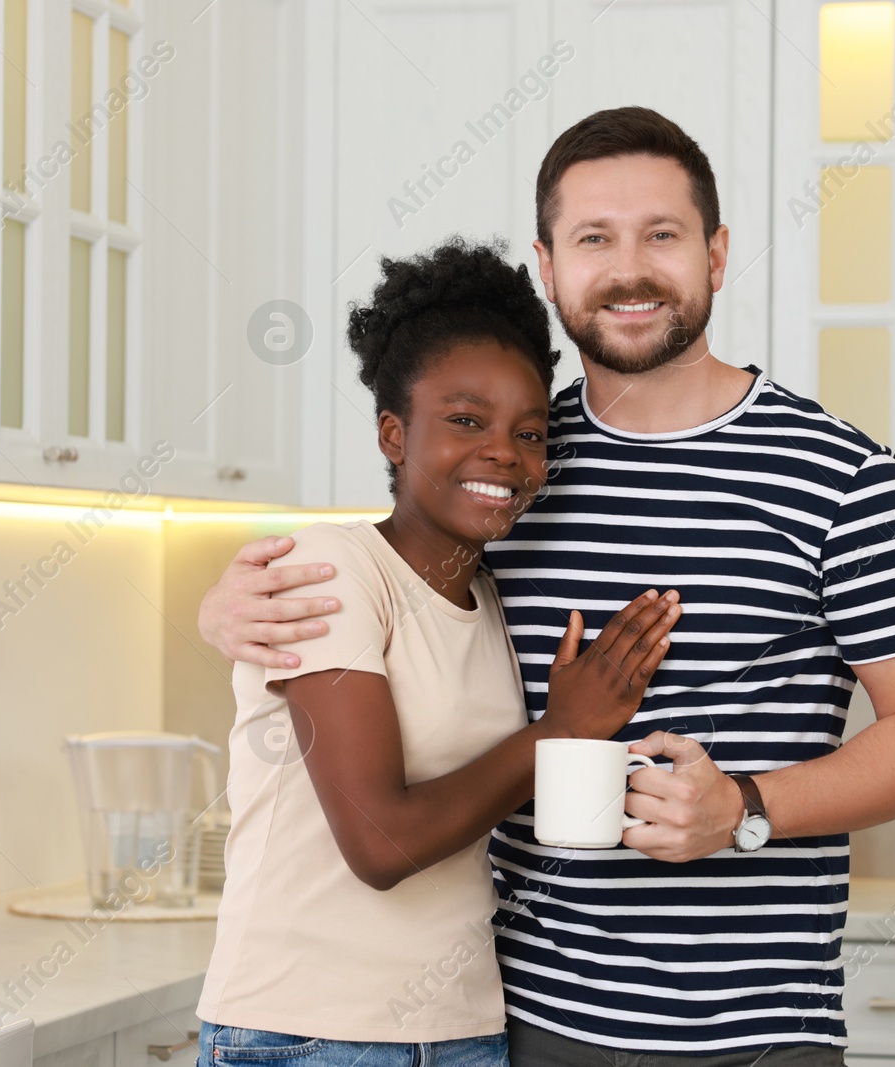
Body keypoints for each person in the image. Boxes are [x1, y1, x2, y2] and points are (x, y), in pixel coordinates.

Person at [201, 107, 895, 1065]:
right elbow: (385, 597)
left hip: (760, 1033)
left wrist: (745, 804)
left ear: (717, 253)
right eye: (594, 239)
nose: (630, 269)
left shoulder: (841, 476)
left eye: (662, 234)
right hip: (518, 1024)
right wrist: (228, 605)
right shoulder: (514, 460)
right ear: (549, 265)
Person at [194, 238, 682, 1067]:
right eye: (465, 420)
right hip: (307, 1034)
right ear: (394, 432)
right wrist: (557, 733)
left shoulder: (487, 595)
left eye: (529, 433)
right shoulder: (335, 568)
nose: (504, 453)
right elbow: (380, 842)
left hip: (459, 1033)